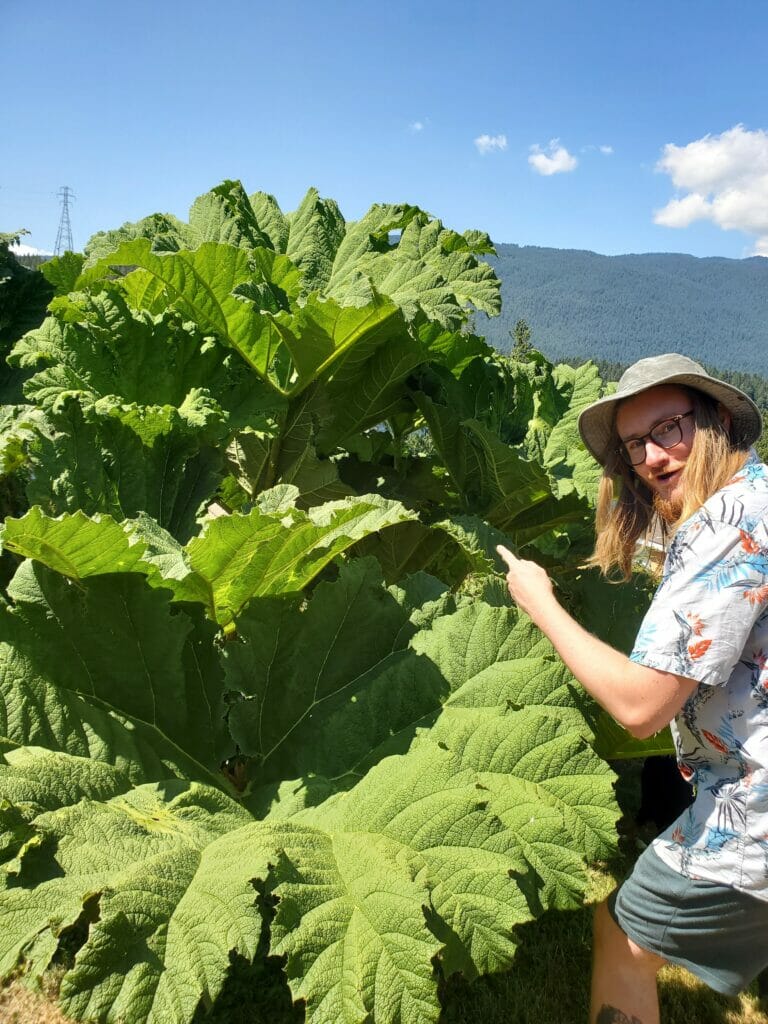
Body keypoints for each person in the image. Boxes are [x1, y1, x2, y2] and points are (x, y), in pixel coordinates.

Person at [496, 353, 768, 1024]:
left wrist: (541, 604)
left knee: (623, 933)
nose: (651, 454)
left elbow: (639, 707)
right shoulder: (759, 494)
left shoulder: (725, 528)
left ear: (716, 423)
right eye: (633, 445)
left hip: (755, 816)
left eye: (668, 427)